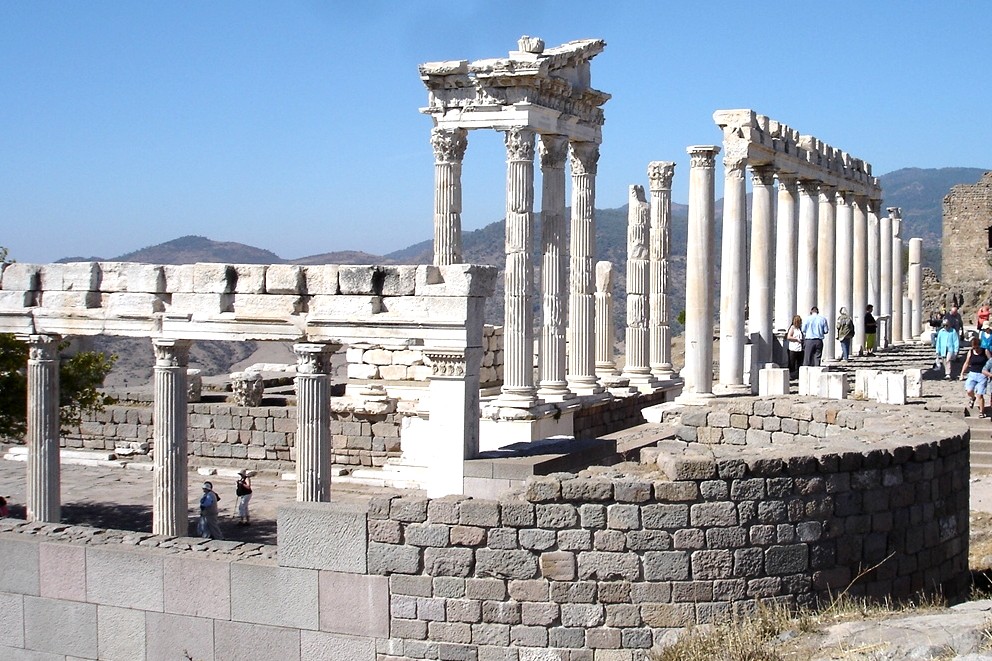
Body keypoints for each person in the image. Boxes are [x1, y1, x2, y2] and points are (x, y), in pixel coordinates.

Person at [962, 336, 989, 416]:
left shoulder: (985, 351)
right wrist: (962, 373)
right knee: (969, 390)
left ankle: (981, 412)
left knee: (980, 394)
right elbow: (966, 363)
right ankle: (972, 398)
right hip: (972, 374)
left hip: (982, 374)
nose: (976, 350)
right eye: (974, 348)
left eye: (977, 348)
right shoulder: (970, 352)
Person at [785, 314, 804, 379]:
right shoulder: (792, 328)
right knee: (791, 362)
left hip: (800, 348)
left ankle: (798, 374)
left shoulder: (799, 328)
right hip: (793, 348)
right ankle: (791, 375)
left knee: (799, 362)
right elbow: (789, 337)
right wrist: (796, 339)